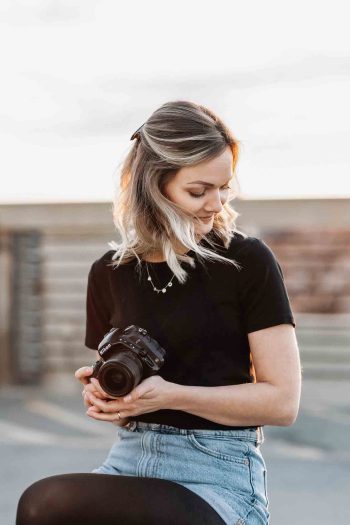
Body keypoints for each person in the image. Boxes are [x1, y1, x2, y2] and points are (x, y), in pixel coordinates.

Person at [16, 100, 301, 525]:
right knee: (42, 505)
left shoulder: (247, 261)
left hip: (218, 473)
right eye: (198, 191)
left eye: (223, 188)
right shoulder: (108, 273)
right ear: (154, 185)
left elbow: (283, 402)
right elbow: (118, 384)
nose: (215, 204)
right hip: (130, 458)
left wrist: (173, 395)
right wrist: (104, 395)